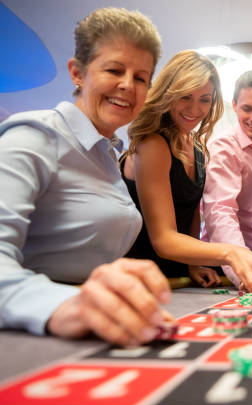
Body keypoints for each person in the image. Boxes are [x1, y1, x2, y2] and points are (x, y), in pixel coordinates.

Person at [0, 8, 170, 346]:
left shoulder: (108, 151)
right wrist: (65, 305)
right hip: (30, 335)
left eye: (140, 77)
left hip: (88, 334)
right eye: (114, 69)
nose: (127, 85)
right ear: (77, 73)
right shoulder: (34, 135)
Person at [120, 52, 252, 296]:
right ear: (169, 92)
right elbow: (163, 240)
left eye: (204, 99)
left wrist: (191, 264)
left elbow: (192, 211)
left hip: (177, 276)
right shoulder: (152, 144)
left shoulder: (195, 145)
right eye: (186, 97)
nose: (195, 109)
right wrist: (232, 253)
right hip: (140, 278)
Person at [202, 69, 252, 291]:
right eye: (247, 108)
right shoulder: (224, 147)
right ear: (235, 105)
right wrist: (242, 269)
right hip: (226, 262)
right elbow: (220, 212)